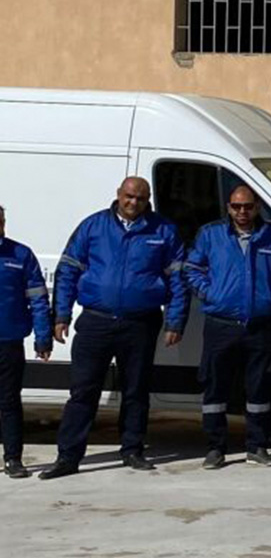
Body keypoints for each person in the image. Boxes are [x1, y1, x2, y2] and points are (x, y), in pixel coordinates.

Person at [40, 177, 189, 480]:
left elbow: (179, 279)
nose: (134, 203)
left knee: (136, 390)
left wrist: (175, 321)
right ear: (119, 194)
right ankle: (68, 456)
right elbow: (68, 270)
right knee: (83, 392)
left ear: (148, 200)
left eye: (141, 198)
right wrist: (61, 315)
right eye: (129, 196)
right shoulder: (93, 226)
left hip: (140, 323)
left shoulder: (163, 231)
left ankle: (132, 450)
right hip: (96, 322)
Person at [184, 185, 271, 469]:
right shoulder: (211, 235)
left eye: (247, 206)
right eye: (236, 206)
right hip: (221, 324)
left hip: (259, 324)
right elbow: (192, 269)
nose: (242, 211)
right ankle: (215, 448)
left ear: (257, 206)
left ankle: (257, 446)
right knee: (215, 388)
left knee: (259, 388)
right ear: (228, 207)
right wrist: (211, 294)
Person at [0, 204, 52, 478]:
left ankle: (13, 459)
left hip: (8, 341)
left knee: (9, 401)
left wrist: (43, 337)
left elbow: (39, 300)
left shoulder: (20, 255)